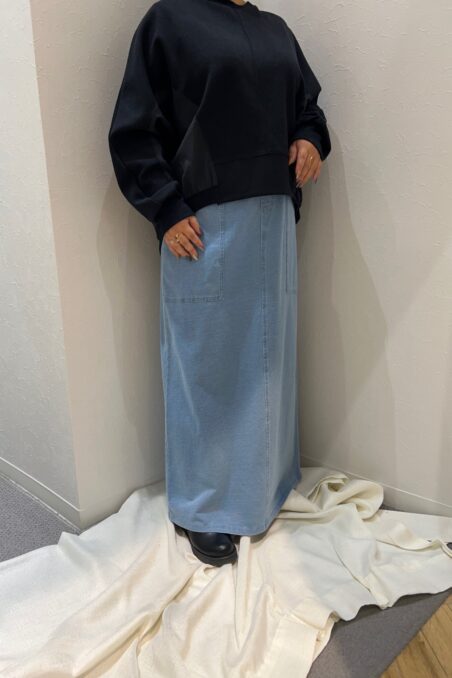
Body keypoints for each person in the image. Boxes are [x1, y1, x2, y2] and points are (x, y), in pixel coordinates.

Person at [108, 0, 331, 566]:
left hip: (273, 216)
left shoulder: (275, 30)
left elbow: (307, 107)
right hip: (204, 221)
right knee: (206, 363)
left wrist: (310, 139)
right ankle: (202, 507)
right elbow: (134, 128)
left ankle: (264, 487)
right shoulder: (170, 20)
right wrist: (164, 207)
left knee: (267, 362)